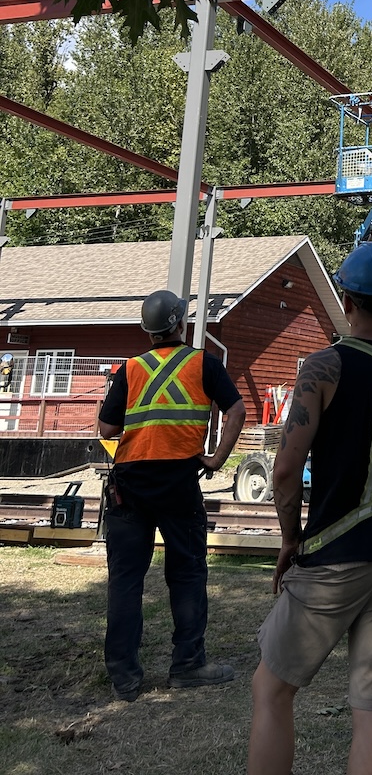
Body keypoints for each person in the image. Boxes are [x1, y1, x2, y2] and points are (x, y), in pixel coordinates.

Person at [247, 242, 372, 775]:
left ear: (345, 299)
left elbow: (285, 471)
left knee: (271, 689)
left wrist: (290, 540)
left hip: (334, 558)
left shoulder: (323, 368)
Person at [98, 289, 246, 701]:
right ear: (181, 323)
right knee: (187, 573)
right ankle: (188, 665)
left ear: (147, 331)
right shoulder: (203, 363)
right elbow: (236, 410)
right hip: (179, 482)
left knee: (126, 579)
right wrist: (216, 459)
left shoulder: (131, 369)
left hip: (129, 484)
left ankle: (125, 677)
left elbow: (107, 429)